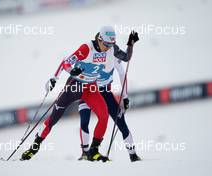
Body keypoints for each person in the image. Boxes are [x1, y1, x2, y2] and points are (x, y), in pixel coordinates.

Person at [21, 26, 132, 162]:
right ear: (99, 39)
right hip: (74, 86)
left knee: (104, 116)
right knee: (53, 119)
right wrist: (60, 76)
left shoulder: (111, 49)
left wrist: (131, 44)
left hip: (91, 87)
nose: (108, 48)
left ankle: (93, 151)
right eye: (106, 44)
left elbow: (126, 57)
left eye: (111, 44)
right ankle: (34, 147)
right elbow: (66, 63)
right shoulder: (87, 48)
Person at [78, 30, 141, 162]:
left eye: (109, 45)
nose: (105, 48)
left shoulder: (112, 52)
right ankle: (85, 153)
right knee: (84, 121)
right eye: (104, 44)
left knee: (121, 123)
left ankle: (133, 155)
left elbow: (123, 71)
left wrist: (125, 97)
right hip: (89, 91)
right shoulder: (90, 51)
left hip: (105, 92)